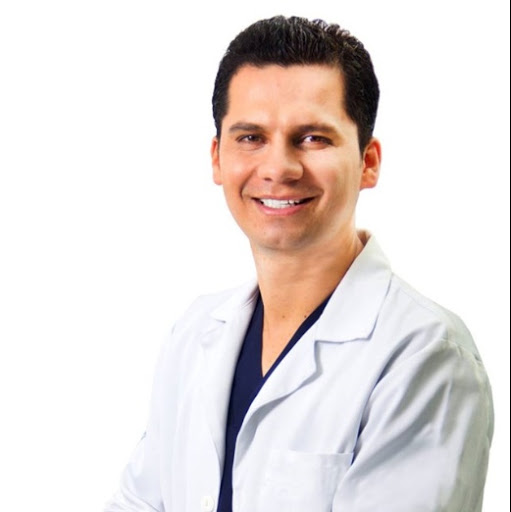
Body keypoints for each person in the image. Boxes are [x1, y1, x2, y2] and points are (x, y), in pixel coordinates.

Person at [105, 15, 493, 512]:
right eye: (251, 137)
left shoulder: (422, 355)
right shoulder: (196, 332)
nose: (279, 168)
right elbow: (139, 501)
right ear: (217, 158)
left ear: (368, 161)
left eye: (312, 138)